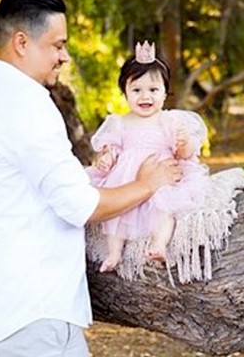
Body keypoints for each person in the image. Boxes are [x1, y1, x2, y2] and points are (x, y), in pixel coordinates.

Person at [0, 0, 183, 356]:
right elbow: (82, 206)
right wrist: (147, 183)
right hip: (32, 318)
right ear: (21, 42)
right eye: (57, 45)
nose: (65, 56)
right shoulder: (24, 105)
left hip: (15, 310)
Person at [87, 41, 210, 273]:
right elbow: (111, 147)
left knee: (164, 206)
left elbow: (184, 154)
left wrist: (183, 144)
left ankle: (159, 244)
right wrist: (107, 157)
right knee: (116, 214)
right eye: (136, 90)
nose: (145, 96)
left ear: (165, 92)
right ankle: (114, 252)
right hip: (127, 181)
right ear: (124, 92)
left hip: (161, 176)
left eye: (153, 90)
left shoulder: (170, 120)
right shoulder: (120, 122)